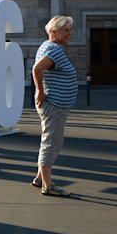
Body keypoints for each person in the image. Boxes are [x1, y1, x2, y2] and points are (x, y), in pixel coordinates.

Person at [31, 16, 77, 197]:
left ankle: (39, 178)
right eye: (66, 30)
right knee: (52, 143)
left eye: (69, 30)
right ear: (54, 31)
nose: (69, 34)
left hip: (53, 103)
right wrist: (41, 92)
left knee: (48, 140)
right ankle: (47, 185)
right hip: (54, 104)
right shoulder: (54, 49)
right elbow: (37, 69)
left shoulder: (47, 46)